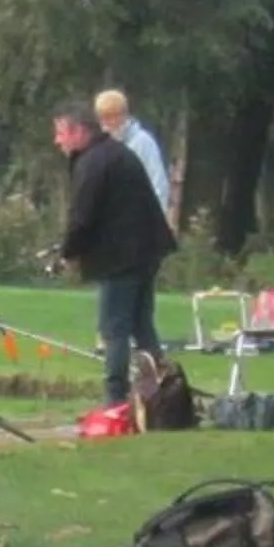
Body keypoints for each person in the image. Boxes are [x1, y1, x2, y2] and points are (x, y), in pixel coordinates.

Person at [56, 100, 176, 407]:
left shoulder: (94, 162)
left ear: (79, 132)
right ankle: (161, 390)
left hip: (122, 257)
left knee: (114, 328)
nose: (57, 141)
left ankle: (115, 398)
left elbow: (83, 217)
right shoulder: (113, 153)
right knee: (140, 323)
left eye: (61, 133)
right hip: (145, 251)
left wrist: (66, 252)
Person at [95, 88, 172, 362]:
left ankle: (123, 374)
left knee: (136, 314)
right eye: (101, 119)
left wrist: (148, 234)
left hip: (140, 244)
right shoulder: (107, 147)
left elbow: (159, 189)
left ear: (120, 116)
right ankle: (155, 372)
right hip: (116, 244)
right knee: (139, 320)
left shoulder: (142, 144)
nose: (104, 125)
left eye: (108, 119)